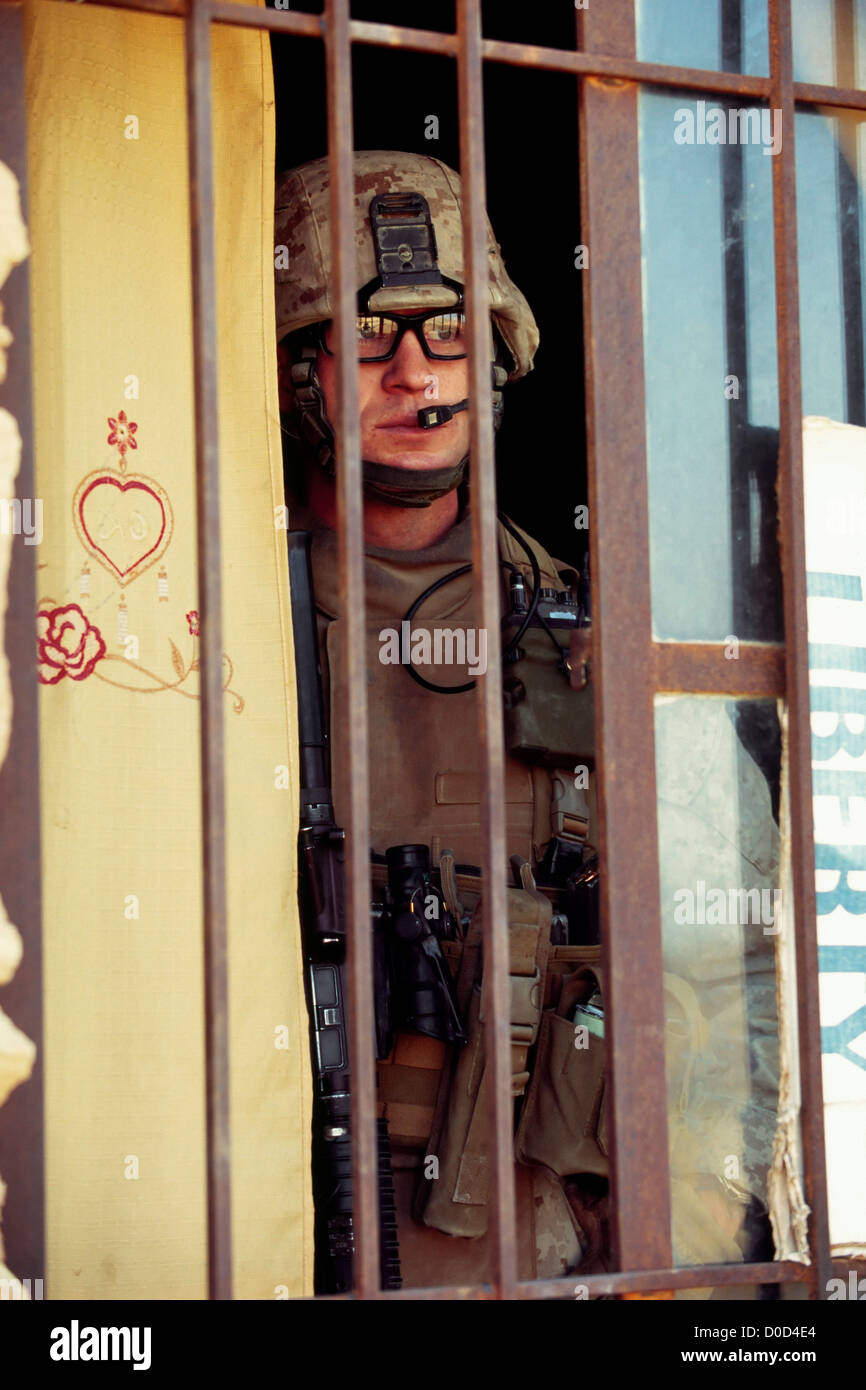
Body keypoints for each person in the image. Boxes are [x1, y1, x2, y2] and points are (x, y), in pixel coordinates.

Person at [274, 151, 777, 1293]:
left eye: (448, 334)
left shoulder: (588, 626)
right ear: (295, 366)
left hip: (548, 1228)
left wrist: (686, 1213)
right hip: (288, 1212)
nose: (416, 378)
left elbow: (732, 948)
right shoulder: (216, 628)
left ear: (495, 358)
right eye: (368, 340)